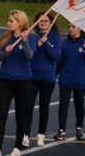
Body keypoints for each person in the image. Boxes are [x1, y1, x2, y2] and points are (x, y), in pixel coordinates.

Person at [0, 10, 36, 156]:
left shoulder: (30, 37)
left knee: (20, 116)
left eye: (11, 21)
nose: (8, 23)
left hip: (22, 81)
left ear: (19, 22)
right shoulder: (6, 37)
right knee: (1, 114)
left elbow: (29, 57)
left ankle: (17, 146)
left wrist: (25, 41)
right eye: (8, 20)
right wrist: (6, 52)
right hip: (6, 80)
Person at [24, 11, 61, 148]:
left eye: (46, 21)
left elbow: (56, 57)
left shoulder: (55, 37)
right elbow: (30, 54)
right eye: (40, 21)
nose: (43, 23)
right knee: (28, 106)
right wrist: (38, 45)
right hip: (32, 75)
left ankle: (41, 135)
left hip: (48, 77)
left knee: (44, 108)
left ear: (51, 23)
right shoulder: (32, 36)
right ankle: (25, 135)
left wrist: (46, 44)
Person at [54, 23, 85, 141]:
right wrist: (54, 75)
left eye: (73, 27)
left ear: (80, 29)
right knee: (63, 103)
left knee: (79, 104)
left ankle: (79, 127)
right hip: (66, 78)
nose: (70, 29)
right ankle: (62, 130)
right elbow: (60, 62)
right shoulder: (65, 43)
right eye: (69, 26)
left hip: (80, 79)